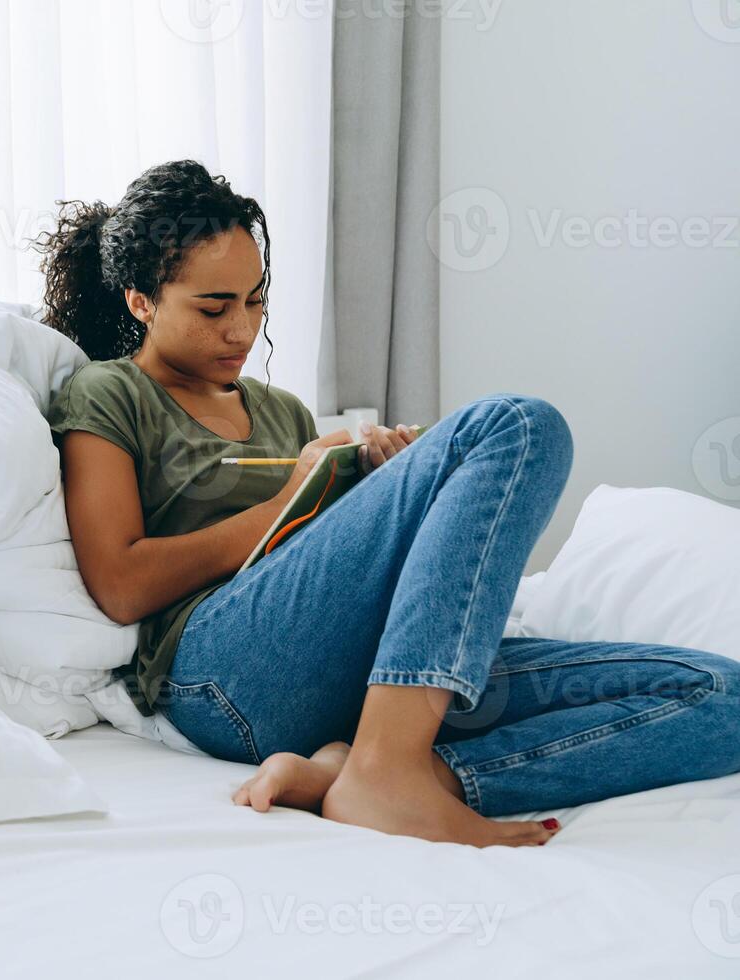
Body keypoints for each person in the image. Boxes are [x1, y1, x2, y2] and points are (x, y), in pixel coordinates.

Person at [38, 159, 740, 847]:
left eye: (256, 300)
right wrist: (292, 500)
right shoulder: (110, 393)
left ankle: (379, 773)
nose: (242, 330)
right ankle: (389, 766)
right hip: (220, 675)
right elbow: (121, 585)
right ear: (141, 300)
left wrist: (386, 488)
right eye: (214, 307)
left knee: (722, 696)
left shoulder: (279, 409)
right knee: (518, 426)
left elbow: (338, 565)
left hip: (356, 679)